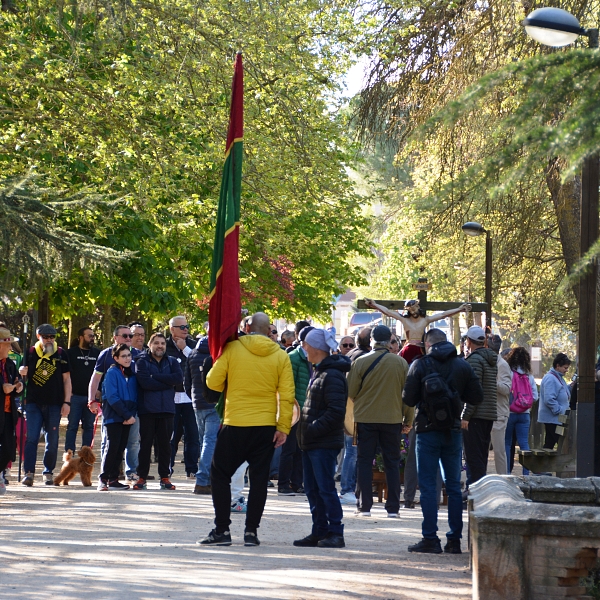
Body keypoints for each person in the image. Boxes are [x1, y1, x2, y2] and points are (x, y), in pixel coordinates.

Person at [198, 312, 295, 547]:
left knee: (219, 474)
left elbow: (212, 382)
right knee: (259, 480)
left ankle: (222, 529)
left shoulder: (233, 349)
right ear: (268, 329)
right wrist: (283, 427)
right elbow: (288, 395)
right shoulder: (280, 355)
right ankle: (251, 532)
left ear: (247, 327)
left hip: (235, 423)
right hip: (265, 427)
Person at [402, 328, 483, 554]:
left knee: (428, 487)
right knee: (454, 487)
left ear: (428, 344)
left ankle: (430, 538)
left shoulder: (419, 365)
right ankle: (454, 540)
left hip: (427, 431)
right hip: (453, 431)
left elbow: (408, 398)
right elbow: (477, 396)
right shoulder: (463, 365)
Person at [347, 325, 413, 518]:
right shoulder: (400, 363)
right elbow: (407, 396)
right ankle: (393, 508)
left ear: (372, 340)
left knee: (364, 461)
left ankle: (364, 505)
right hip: (392, 419)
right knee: (392, 462)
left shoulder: (360, 362)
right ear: (389, 341)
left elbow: (350, 393)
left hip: (365, 419)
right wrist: (408, 420)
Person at [294, 328, 349, 548]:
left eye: (306, 344)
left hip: (323, 443)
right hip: (313, 442)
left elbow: (336, 411)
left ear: (316, 348)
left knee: (325, 488)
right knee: (313, 489)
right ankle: (320, 530)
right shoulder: (321, 371)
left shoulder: (332, 375)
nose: (303, 348)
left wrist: (313, 429)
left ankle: (335, 532)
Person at [20, 324, 72, 486]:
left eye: (52, 337)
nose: (49, 340)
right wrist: (21, 372)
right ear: (38, 337)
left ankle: (48, 472)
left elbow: (67, 380)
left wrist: (67, 402)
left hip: (55, 403)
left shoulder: (61, 353)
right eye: (46, 337)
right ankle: (28, 472)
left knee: (53, 440)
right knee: (32, 438)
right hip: (34, 403)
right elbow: (22, 379)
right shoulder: (29, 353)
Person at [88, 324, 141, 481]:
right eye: (125, 336)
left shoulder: (138, 355)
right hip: (114, 412)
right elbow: (97, 380)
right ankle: (106, 477)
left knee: (130, 443)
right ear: (115, 338)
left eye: (130, 336)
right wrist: (92, 399)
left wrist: (132, 412)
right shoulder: (107, 359)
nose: (129, 339)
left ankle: (128, 472)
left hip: (131, 412)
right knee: (110, 444)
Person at [134, 332, 183, 490]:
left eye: (162, 343)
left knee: (165, 446)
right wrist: (167, 382)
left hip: (167, 409)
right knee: (145, 445)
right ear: (150, 345)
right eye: (156, 343)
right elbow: (145, 383)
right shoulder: (141, 361)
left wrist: (155, 376)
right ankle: (142, 477)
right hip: (147, 410)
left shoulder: (172, 362)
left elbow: (177, 379)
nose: (160, 346)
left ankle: (165, 477)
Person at [364, 298, 471, 365]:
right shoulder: (404, 320)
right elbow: (388, 312)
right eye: (410, 310)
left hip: (421, 349)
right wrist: (374, 305)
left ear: (418, 307)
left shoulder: (425, 320)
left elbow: (443, 314)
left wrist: (459, 309)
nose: (413, 311)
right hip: (408, 349)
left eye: (414, 308)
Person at [98, 344, 137, 491]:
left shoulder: (131, 374)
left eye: (129, 355)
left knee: (120, 448)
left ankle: (114, 479)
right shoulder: (112, 372)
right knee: (112, 447)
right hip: (114, 416)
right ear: (116, 358)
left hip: (128, 417)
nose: (127, 359)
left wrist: (130, 415)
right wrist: (125, 414)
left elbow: (135, 397)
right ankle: (103, 478)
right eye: (123, 356)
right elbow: (112, 397)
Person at [278, 326, 312, 496]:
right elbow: (287, 385)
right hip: (293, 409)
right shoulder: (293, 358)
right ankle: (283, 484)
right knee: (289, 449)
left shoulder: (313, 358)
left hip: (306, 410)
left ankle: (296, 483)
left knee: (300, 449)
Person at [184, 336, 220, 495]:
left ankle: (207, 478)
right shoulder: (219, 353)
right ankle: (203, 480)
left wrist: (194, 399)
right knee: (210, 441)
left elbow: (187, 382)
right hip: (214, 403)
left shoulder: (192, 353)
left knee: (203, 442)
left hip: (197, 404)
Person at [463, 326, 498, 489]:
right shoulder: (491, 359)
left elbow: (473, 392)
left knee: (473, 457)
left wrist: (465, 416)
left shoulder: (474, 360)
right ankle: (480, 490)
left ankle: (474, 493)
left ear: (469, 341)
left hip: (476, 415)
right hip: (489, 414)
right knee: (482, 456)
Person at [166, 315, 200, 479]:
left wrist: (185, 348)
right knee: (171, 436)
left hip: (189, 398)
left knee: (193, 436)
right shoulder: (163, 345)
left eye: (187, 326)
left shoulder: (193, 345)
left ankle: (192, 469)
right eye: (182, 327)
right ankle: (167, 468)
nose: (186, 329)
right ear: (172, 329)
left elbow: (198, 361)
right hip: (171, 398)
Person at [65, 328, 100, 452]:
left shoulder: (97, 353)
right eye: (89, 336)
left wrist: (99, 390)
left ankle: (85, 454)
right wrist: (67, 394)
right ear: (80, 337)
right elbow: (66, 375)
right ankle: (69, 453)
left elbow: (102, 374)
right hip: (74, 397)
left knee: (89, 426)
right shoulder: (70, 353)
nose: (92, 338)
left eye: (93, 336)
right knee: (72, 426)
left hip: (91, 398)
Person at [504, 347, 537, 474]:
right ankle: (526, 474)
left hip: (510, 413)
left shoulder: (509, 374)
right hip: (524, 414)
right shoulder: (529, 376)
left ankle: (506, 472)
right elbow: (535, 396)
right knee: (524, 443)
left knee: (507, 443)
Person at [0, 326, 24, 495]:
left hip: (8, 413)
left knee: (9, 450)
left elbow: (17, 381)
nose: (10, 348)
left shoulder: (9, 364)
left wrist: (19, 385)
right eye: (7, 345)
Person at [486, 335, 512, 476]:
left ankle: (503, 479)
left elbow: (506, 389)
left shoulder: (502, 365)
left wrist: (491, 381)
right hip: (485, 411)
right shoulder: (486, 362)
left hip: (499, 414)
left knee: (498, 451)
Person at [539, 353, 572, 449]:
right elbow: (549, 399)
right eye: (565, 368)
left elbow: (562, 391)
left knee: (549, 443)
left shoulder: (558, 377)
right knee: (562, 444)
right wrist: (559, 410)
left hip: (555, 418)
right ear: (558, 366)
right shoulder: (551, 378)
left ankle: (545, 463)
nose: (566, 370)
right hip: (553, 418)